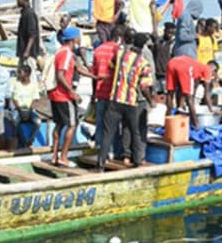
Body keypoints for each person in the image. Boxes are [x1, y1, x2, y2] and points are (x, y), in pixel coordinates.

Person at [97, 33, 155, 170]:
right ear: (144, 46)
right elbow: (144, 86)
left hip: (115, 100)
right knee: (135, 132)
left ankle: (100, 164)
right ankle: (137, 161)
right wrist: (150, 100)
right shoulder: (143, 64)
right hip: (131, 102)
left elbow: (111, 66)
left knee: (108, 133)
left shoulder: (121, 55)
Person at [48, 26, 89, 168]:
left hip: (55, 95)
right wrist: (73, 92)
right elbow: (60, 75)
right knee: (72, 124)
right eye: (78, 36)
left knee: (59, 124)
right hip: (63, 96)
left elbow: (79, 68)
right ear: (73, 39)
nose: (80, 39)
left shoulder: (64, 52)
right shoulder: (66, 54)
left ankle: (54, 156)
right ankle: (63, 157)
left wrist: (94, 76)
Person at [91, 26, 124, 158]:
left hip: (100, 91)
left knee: (100, 123)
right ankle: (111, 151)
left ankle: (99, 149)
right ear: (119, 38)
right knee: (112, 125)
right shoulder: (118, 51)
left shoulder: (98, 50)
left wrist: (93, 94)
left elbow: (94, 75)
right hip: (113, 92)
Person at [166, 55, 218, 129]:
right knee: (189, 98)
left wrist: (181, 106)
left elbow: (190, 89)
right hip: (184, 66)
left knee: (170, 93)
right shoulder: (208, 70)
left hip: (171, 63)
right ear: (214, 70)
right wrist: (211, 110)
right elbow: (206, 95)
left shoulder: (197, 67)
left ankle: (167, 121)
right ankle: (196, 124)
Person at [7, 63, 40, 149]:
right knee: (14, 121)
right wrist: (20, 110)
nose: (18, 74)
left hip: (29, 110)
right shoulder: (17, 84)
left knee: (38, 122)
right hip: (19, 109)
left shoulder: (33, 85)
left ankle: (30, 141)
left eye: (20, 72)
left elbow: (35, 99)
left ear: (26, 74)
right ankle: (23, 141)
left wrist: (29, 110)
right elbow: (15, 99)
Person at [16, 0, 41, 68]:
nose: (17, 1)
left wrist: (27, 51)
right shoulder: (24, 13)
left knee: (29, 74)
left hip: (29, 53)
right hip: (23, 51)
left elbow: (32, 34)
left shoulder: (29, 14)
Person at [153, 22, 175, 94]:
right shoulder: (158, 41)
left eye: (172, 33)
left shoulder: (173, 44)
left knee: (166, 94)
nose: (170, 35)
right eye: (169, 32)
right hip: (156, 73)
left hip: (167, 74)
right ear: (164, 31)